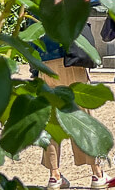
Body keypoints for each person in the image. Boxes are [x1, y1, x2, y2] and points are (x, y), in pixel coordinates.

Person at [39, 35, 107, 189]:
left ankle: (54, 176)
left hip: (45, 62)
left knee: (51, 121)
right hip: (70, 61)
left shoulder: (36, 9)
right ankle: (97, 173)